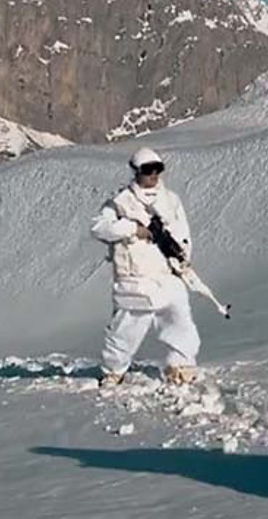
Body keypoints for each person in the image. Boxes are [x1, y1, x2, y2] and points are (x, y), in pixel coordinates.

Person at [90, 147, 200, 387]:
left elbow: (183, 233)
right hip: (136, 277)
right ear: (136, 171)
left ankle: (181, 364)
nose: (153, 175)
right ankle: (113, 370)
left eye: (157, 169)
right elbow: (99, 228)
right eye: (148, 170)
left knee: (179, 319)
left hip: (166, 272)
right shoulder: (120, 203)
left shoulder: (170, 200)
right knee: (127, 328)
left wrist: (182, 257)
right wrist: (132, 229)